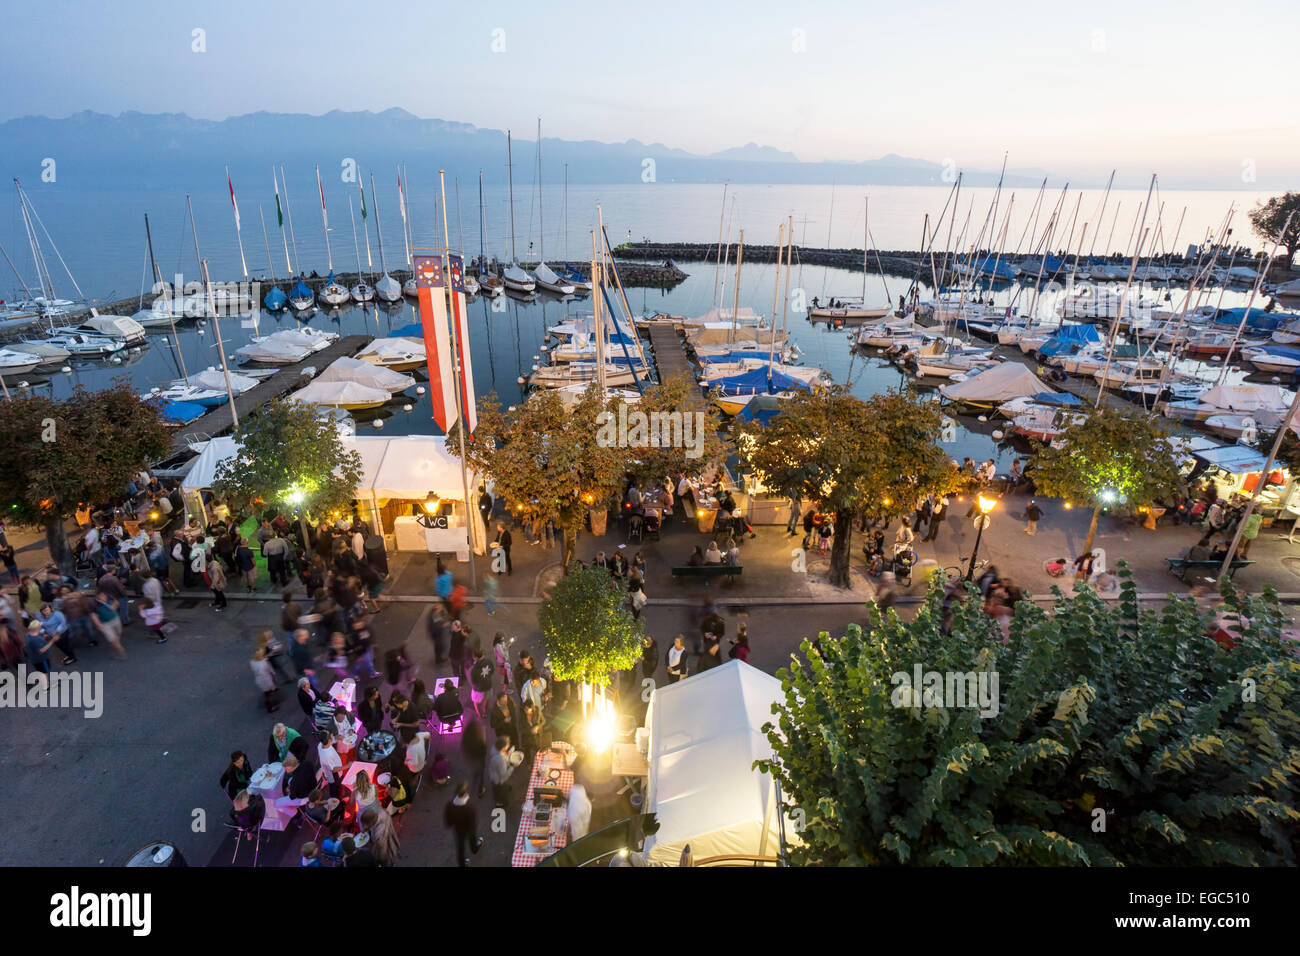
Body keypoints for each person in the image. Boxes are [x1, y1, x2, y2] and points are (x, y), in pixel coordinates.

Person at [444, 781, 482, 866]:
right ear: (464, 794)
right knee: (472, 838)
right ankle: (474, 848)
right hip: (469, 829)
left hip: (458, 830)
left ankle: (462, 863)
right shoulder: (469, 807)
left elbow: (448, 822)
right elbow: (473, 822)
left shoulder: (450, 805)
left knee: (460, 847)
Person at [91, 591, 125, 659]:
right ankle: (120, 650)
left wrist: (115, 603)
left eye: (105, 595)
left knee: (119, 633)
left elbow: (115, 607)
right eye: (102, 596)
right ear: (97, 596)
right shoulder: (94, 604)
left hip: (115, 619)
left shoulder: (109, 599)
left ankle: (116, 644)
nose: (105, 597)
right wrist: (98, 624)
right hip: (105, 624)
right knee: (112, 638)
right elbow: (93, 615)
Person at [488, 735, 518, 808]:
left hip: (493, 772)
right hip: (497, 779)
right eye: (507, 745)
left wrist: (510, 751)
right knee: (498, 791)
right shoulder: (500, 760)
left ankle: (504, 790)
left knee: (500, 787)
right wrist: (512, 767)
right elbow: (503, 774)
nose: (508, 746)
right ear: (503, 747)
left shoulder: (494, 748)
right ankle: (499, 803)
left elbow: (505, 755)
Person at [462, 719, 489, 798]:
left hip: (471, 759)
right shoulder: (479, 741)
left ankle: (474, 778)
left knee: (475, 771)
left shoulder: (466, 738)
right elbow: (484, 750)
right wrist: (484, 737)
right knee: (481, 774)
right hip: (479, 759)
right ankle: (480, 790)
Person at [469, 645, 495, 717]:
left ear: (476, 658)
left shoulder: (474, 669)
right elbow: (492, 671)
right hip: (488, 685)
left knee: (476, 701)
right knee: (487, 698)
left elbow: (473, 681)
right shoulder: (489, 662)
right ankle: (484, 708)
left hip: (479, 689)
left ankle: (479, 713)